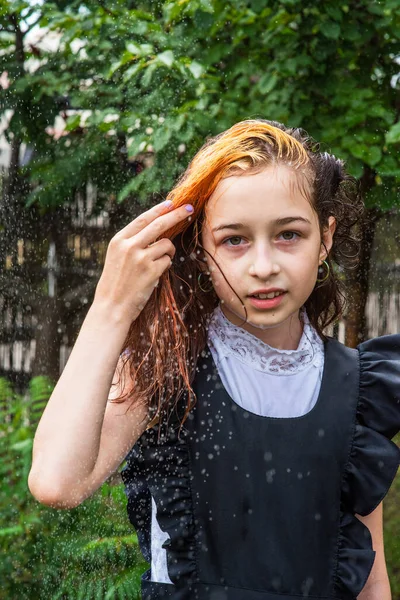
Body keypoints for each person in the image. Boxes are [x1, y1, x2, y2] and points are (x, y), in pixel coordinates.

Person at [28, 120, 400, 600]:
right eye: (234, 240)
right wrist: (111, 305)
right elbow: (58, 483)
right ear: (200, 249)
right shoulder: (167, 366)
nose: (263, 265)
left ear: (325, 237)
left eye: (289, 234)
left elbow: (370, 578)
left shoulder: (360, 389)